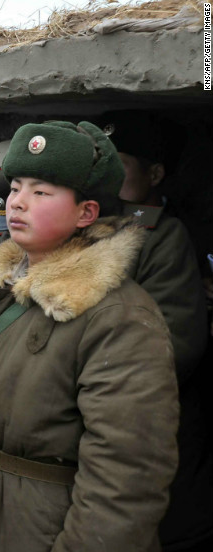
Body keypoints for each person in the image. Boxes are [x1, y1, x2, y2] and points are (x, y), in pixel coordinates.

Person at [0, 121, 179, 551]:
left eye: (41, 192)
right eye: (17, 187)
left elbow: (127, 478)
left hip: (46, 526)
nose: (18, 202)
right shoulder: (1, 292)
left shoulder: (120, 318)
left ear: (87, 213)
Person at [105, 112, 212, 552]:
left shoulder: (166, 237)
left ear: (155, 174)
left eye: (122, 164)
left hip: (154, 419)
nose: (110, 176)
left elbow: (179, 344)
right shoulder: (98, 226)